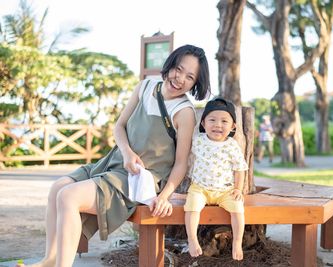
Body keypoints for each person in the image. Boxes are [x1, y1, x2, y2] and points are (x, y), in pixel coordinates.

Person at [17, 44, 211, 267]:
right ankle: (49, 260)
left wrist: (165, 195)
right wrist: (127, 154)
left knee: (68, 196)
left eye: (189, 77)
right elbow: (119, 127)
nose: (180, 79)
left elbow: (180, 164)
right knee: (57, 188)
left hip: (137, 179)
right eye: (178, 69)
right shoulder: (145, 87)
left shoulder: (184, 112)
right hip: (116, 161)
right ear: (170, 65)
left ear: (195, 83)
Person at [184, 98, 248, 261]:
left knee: (238, 209)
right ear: (203, 123)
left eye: (224, 121)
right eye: (212, 120)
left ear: (233, 126)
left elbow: (240, 168)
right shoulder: (197, 140)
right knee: (191, 208)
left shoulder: (232, 145)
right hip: (200, 188)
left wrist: (237, 189)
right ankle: (192, 239)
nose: (218, 125)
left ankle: (237, 242)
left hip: (225, 190)